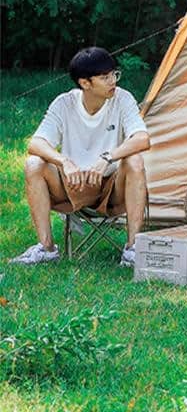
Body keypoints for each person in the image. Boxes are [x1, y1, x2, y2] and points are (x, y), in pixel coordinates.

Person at [9, 47, 151, 267]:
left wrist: (107, 158)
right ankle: (46, 248)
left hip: (111, 190)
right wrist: (64, 162)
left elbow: (143, 139)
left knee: (135, 160)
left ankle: (132, 250)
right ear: (85, 83)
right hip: (71, 186)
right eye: (105, 77)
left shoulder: (122, 99)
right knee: (34, 163)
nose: (113, 81)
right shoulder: (64, 103)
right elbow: (35, 143)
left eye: (114, 74)